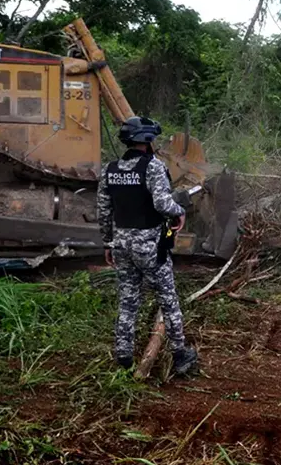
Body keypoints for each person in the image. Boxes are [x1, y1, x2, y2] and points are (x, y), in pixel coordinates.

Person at [98, 116, 197, 375]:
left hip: (121, 244)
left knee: (128, 299)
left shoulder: (109, 170)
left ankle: (123, 355)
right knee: (167, 298)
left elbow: (104, 211)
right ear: (148, 140)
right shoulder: (152, 167)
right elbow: (163, 205)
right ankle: (180, 354)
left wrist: (108, 242)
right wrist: (180, 211)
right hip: (149, 246)